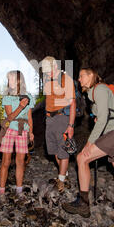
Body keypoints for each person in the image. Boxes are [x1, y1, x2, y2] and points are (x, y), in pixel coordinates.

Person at [62, 68, 114, 227]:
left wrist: (90, 143)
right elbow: (106, 115)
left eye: (82, 75)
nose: (79, 79)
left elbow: (103, 117)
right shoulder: (97, 93)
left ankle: (83, 203)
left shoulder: (99, 89)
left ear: (91, 75)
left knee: (82, 158)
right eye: (78, 77)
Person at [0, 70, 35, 204]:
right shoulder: (7, 97)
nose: (10, 82)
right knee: (6, 162)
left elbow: (29, 117)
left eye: (12, 79)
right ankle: (1, 191)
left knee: (20, 161)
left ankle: (19, 191)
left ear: (19, 81)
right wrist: (20, 106)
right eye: (9, 79)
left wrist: (31, 132)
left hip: (23, 131)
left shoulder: (28, 96)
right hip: (9, 130)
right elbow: (10, 117)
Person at [41, 56, 76, 193]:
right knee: (55, 150)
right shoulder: (48, 81)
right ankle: (65, 176)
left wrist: (71, 125)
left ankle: (60, 181)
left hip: (62, 118)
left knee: (63, 150)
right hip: (50, 119)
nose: (47, 73)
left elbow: (72, 103)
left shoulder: (65, 79)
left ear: (55, 66)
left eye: (48, 70)